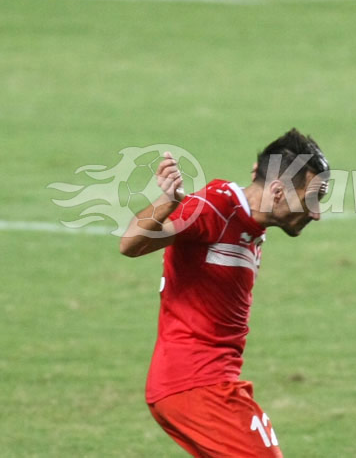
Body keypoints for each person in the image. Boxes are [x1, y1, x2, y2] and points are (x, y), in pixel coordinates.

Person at [119, 128, 329, 457]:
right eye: (311, 199)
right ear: (277, 191)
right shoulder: (216, 206)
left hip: (206, 383)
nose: (316, 213)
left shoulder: (253, 223)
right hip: (195, 384)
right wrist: (168, 201)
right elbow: (131, 243)